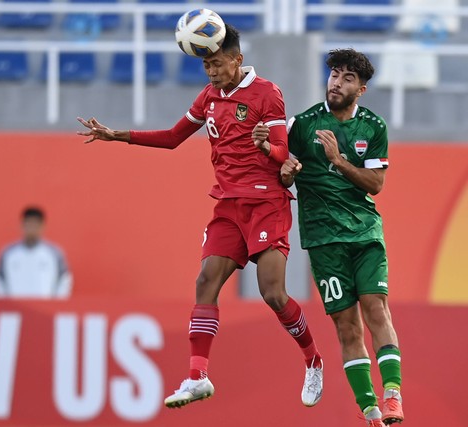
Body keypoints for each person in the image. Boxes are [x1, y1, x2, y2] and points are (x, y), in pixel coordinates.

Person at [77, 24, 323, 409]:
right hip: (227, 206)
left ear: (237, 60)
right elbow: (175, 137)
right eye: (206, 65)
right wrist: (118, 135)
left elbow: (282, 153)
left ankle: (313, 359)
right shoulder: (208, 96)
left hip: (265, 203)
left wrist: (265, 145)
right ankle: (197, 377)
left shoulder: (267, 93)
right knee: (206, 280)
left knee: (273, 293)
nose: (211, 72)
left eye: (217, 64)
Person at [280, 49, 403, 427]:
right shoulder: (301, 125)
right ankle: (370, 410)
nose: (337, 82)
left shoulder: (373, 128)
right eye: (335, 74)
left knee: (375, 307)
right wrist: (287, 172)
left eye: (348, 78)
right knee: (346, 326)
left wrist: (338, 160)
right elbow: (282, 176)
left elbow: (377, 185)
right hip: (322, 240)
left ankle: (394, 395)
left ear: (361, 89)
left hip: (365, 233)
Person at [0, 206, 72, 299]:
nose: (32, 229)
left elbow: (64, 280)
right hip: (15, 309)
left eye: (35, 225)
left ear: (42, 226)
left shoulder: (55, 254)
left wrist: (56, 305)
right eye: (29, 224)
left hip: (45, 310)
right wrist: (5, 305)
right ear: (22, 225)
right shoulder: (8, 253)